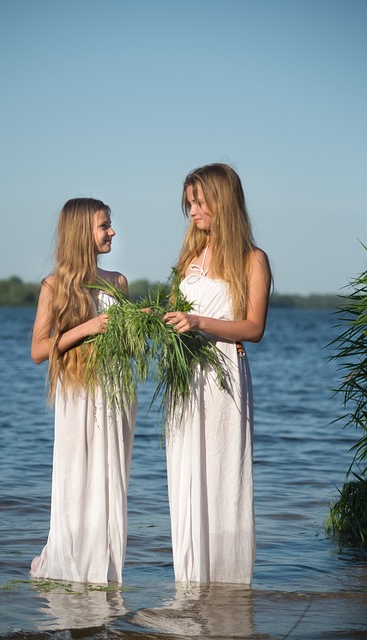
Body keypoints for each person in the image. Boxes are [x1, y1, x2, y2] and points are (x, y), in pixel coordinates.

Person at [163, 163, 271, 584]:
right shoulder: (188, 257)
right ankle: (190, 583)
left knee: (223, 475)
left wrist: (199, 321)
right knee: (186, 476)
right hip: (185, 378)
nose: (192, 211)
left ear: (222, 201)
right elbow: (179, 315)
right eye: (189, 203)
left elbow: (254, 328)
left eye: (199, 201)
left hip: (224, 376)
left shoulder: (252, 259)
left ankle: (226, 586)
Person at [30, 197, 136, 584]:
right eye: (104, 225)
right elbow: (39, 350)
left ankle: (104, 570)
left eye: (109, 225)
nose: (112, 231)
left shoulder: (118, 282)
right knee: (77, 480)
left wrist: (138, 326)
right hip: (76, 397)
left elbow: (124, 344)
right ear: (81, 233)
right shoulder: (54, 286)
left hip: (115, 394)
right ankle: (72, 565)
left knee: (110, 482)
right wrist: (87, 328)